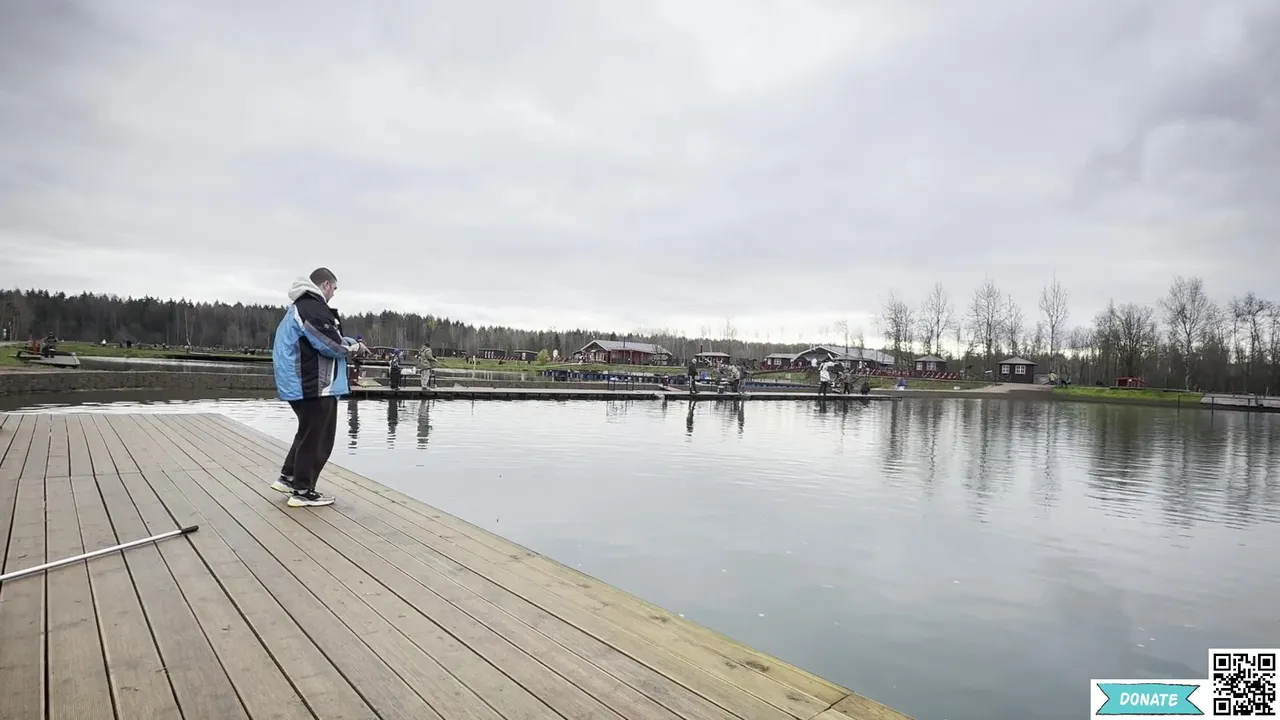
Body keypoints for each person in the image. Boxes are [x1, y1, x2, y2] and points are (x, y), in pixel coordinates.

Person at [270, 267, 367, 507]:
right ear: (325, 285)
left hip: (302, 383)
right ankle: (303, 491)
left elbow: (323, 337)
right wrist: (353, 348)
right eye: (334, 288)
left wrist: (348, 342)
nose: (334, 294)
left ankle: (289, 478)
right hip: (313, 384)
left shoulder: (302, 306)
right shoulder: (313, 307)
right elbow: (330, 345)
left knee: (308, 432)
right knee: (319, 438)